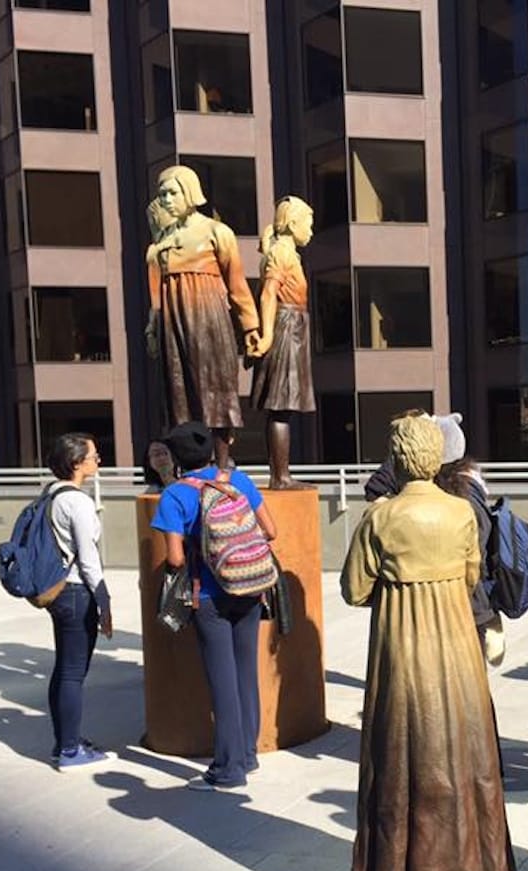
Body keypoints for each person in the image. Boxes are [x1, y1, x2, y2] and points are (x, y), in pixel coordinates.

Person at [340, 413, 516, 871]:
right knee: (466, 755)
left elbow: (354, 590)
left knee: (398, 759)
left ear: (397, 458)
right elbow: (470, 577)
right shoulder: (460, 513)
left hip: (401, 654)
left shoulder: (379, 517)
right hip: (457, 654)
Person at [152, 422, 278, 791]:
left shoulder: (175, 495)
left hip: (208, 595)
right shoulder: (238, 480)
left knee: (222, 682)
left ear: (176, 457)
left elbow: (175, 559)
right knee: (245, 673)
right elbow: (271, 530)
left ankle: (229, 769)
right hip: (251, 587)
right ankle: (248, 754)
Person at [145, 165, 260, 439]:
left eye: (172, 193)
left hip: (208, 317)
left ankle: (221, 458)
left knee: (215, 387)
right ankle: (190, 456)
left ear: (189, 192)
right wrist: (152, 326)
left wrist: (250, 326)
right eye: (162, 195)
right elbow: (156, 292)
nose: (166, 200)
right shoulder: (162, 240)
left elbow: (236, 282)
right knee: (178, 392)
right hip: (172, 324)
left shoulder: (216, 231)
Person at [44, 432, 113, 768]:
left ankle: (64, 742)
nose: (98, 460)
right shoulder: (78, 503)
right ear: (76, 462)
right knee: (73, 673)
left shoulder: (51, 494)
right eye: (93, 456)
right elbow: (88, 559)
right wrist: (104, 601)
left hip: (57, 591)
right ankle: (70, 751)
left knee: (63, 669)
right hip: (75, 591)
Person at [248, 196, 317, 489]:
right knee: (281, 405)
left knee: (283, 406)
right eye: (308, 224)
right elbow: (267, 294)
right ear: (292, 223)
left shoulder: (285, 253)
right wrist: (267, 336)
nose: (311, 231)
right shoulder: (282, 253)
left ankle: (281, 474)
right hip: (286, 327)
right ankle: (280, 477)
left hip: (293, 325)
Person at [430, 414, 506, 666]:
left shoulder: (454, 497)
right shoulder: (471, 485)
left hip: (464, 597)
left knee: (464, 668)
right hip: (476, 597)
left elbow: (473, 553)